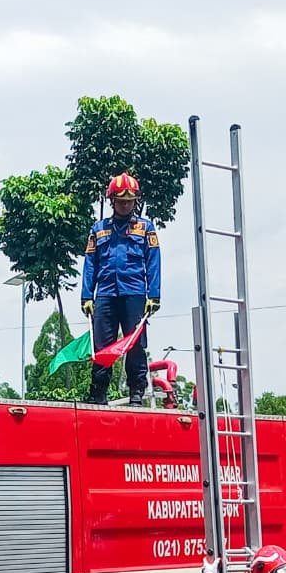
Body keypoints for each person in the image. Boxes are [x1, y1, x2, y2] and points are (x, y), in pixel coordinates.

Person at [80, 173, 161, 406]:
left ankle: (137, 392)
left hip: (135, 293)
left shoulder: (145, 228)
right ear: (112, 201)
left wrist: (153, 294)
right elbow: (90, 263)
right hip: (105, 294)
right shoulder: (99, 229)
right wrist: (87, 295)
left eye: (130, 201)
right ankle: (98, 393)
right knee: (102, 347)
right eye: (121, 200)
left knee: (135, 344)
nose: (126, 205)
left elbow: (153, 260)